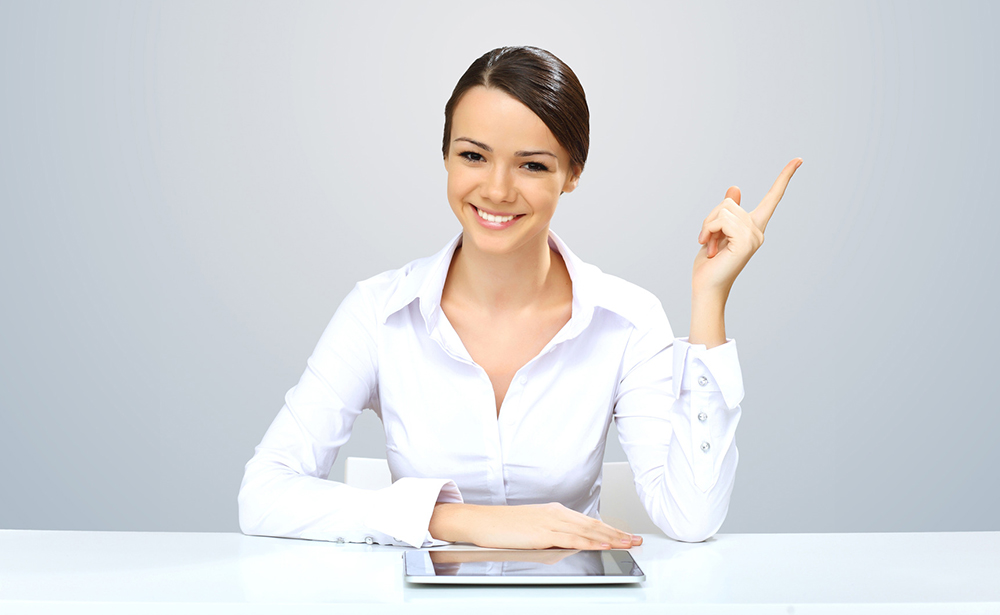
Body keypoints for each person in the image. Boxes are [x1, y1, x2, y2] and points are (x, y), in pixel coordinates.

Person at [238, 46, 801, 550]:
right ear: (445, 157)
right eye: (473, 156)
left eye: (532, 165)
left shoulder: (626, 320)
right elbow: (262, 494)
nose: (497, 190)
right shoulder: (378, 312)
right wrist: (461, 522)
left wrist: (710, 298)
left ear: (572, 174)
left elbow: (692, 517)